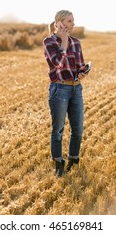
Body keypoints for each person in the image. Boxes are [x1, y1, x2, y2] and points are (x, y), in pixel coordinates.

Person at [43, 10, 88, 177]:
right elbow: (57, 65)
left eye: (73, 20)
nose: (73, 23)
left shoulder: (76, 42)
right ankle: (58, 163)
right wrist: (63, 41)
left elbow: (80, 65)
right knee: (58, 130)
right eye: (70, 21)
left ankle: (73, 160)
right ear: (60, 23)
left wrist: (83, 72)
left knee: (78, 129)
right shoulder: (49, 41)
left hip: (76, 88)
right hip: (59, 89)